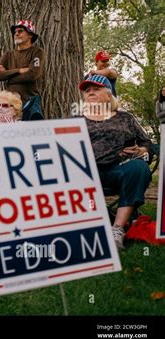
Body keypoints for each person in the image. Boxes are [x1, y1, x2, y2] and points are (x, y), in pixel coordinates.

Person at [76, 74, 152, 250]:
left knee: (138, 167)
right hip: (84, 173)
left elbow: (146, 142)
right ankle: (84, 228)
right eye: (87, 91)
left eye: (96, 89)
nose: (91, 93)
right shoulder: (76, 120)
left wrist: (142, 150)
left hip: (115, 170)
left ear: (109, 95)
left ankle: (117, 229)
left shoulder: (125, 118)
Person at [0, 20, 45, 121]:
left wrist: (8, 77)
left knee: (29, 134)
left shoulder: (37, 52)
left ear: (30, 35)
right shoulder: (8, 55)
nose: (16, 34)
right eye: (15, 32)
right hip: (8, 105)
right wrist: (18, 70)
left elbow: (33, 75)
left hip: (29, 103)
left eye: (20, 31)